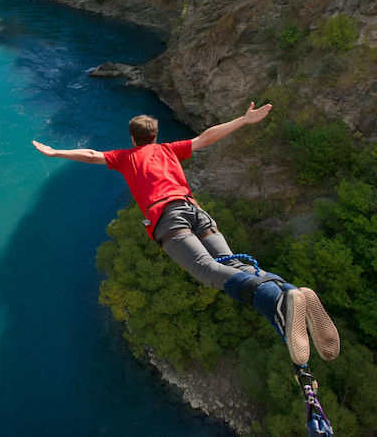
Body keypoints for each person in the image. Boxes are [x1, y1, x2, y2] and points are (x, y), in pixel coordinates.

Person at [32, 103, 339, 366]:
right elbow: (206, 138)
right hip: (195, 211)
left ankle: (276, 302)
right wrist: (244, 120)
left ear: (132, 138)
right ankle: (287, 290)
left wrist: (56, 152)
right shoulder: (169, 149)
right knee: (232, 264)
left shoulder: (126, 157)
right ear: (155, 135)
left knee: (206, 270)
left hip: (167, 217)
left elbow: (91, 154)